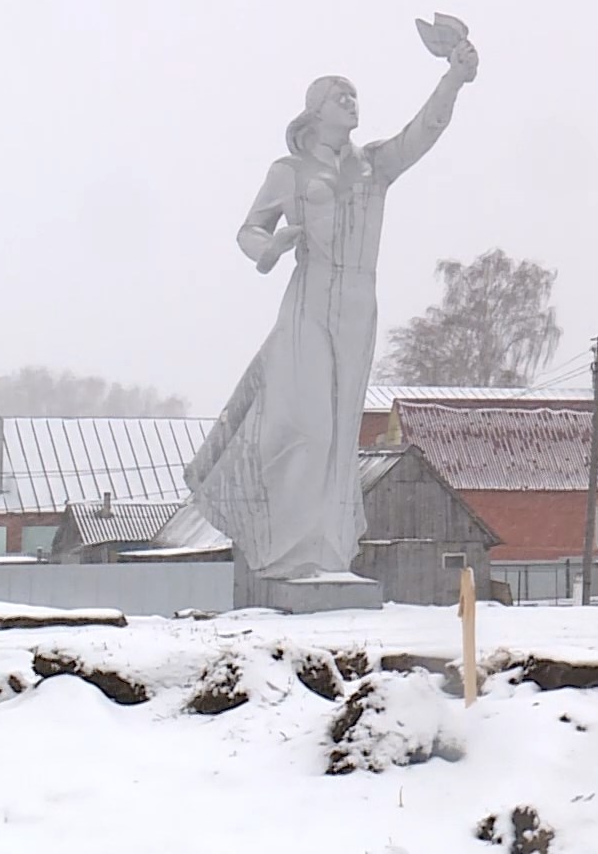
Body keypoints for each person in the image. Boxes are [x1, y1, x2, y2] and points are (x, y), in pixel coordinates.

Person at [182, 31, 480, 580]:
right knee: (306, 424)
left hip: (359, 301)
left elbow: (424, 132)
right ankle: (285, 550)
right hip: (311, 295)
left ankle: (326, 553)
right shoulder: (288, 172)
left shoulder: (373, 166)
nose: (351, 99)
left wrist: (453, 78)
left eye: (354, 93)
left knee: (341, 436)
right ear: (315, 110)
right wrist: (268, 248)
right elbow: (250, 229)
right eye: (339, 94)